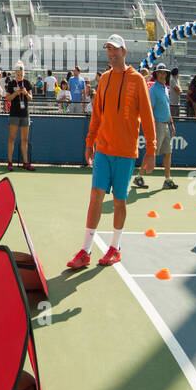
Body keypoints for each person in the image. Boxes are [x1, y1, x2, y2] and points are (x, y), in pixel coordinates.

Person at [66, 35, 156, 270]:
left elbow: (147, 116)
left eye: (115, 49)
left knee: (119, 201)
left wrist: (151, 151)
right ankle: (85, 251)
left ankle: (115, 248)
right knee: (95, 197)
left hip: (126, 152)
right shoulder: (104, 79)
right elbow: (97, 115)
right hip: (103, 149)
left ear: (124, 51)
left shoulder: (137, 80)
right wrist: (89, 142)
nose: (111, 53)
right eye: (108, 50)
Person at [134, 63, 177, 190]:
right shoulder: (153, 90)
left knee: (168, 153)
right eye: (160, 73)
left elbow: (167, 109)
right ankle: (139, 176)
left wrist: (172, 124)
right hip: (157, 125)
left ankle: (167, 179)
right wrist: (151, 127)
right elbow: (150, 110)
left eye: (164, 73)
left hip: (166, 125)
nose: (162, 75)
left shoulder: (165, 88)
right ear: (156, 74)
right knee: (151, 152)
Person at [5, 61, 34, 171]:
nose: (20, 76)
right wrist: (15, 94)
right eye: (18, 74)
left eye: (21, 74)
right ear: (15, 73)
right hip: (14, 114)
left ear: (24, 73)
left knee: (25, 139)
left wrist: (25, 93)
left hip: (25, 114)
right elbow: (7, 99)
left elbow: (31, 98)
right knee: (12, 138)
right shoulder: (11, 84)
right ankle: (10, 162)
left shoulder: (27, 83)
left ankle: (26, 163)